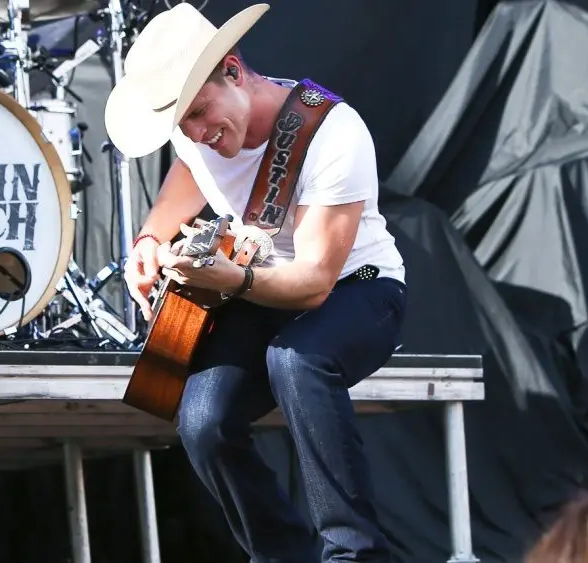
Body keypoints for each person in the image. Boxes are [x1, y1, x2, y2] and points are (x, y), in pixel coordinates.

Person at [104, 3, 407, 562]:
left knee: (298, 359)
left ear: (234, 69)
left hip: (357, 288)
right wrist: (148, 243)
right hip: (257, 286)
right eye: (183, 125)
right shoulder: (195, 134)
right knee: (202, 422)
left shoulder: (333, 132)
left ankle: (355, 553)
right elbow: (187, 173)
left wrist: (232, 277)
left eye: (200, 112)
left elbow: (316, 283)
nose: (198, 133)